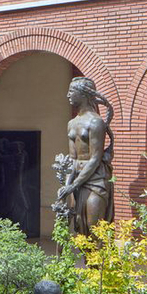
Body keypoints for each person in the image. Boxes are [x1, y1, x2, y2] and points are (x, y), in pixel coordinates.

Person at [57, 77, 115, 236]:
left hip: (96, 179)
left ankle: (100, 261)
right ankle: (89, 262)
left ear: (83, 94)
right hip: (78, 180)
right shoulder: (72, 123)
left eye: (71, 91)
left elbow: (95, 159)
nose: (68, 95)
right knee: (80, 228)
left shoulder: (96, 122)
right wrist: (66, 186)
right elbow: (73, 160)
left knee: (94, 227)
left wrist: (73, 185)